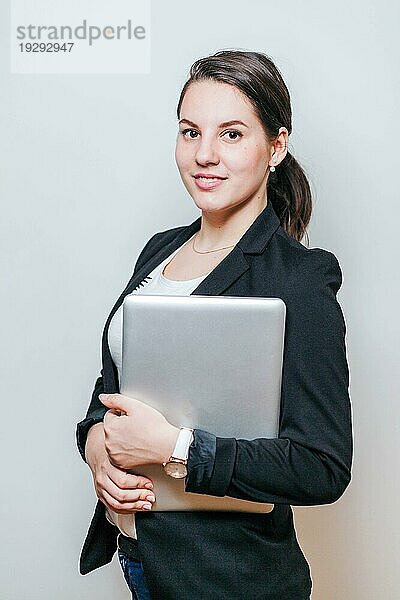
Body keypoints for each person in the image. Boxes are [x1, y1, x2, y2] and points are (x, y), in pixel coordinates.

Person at [76, 49, 353, 600]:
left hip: (231, 580)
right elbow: (111, 394)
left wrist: (176, 448)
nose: (204, 155)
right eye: (189, 131)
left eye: (231, 134)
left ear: (276, 146)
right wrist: (97, 449)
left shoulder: (299, 279)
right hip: (142, 563)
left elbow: (322, 466)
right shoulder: (159, 252)